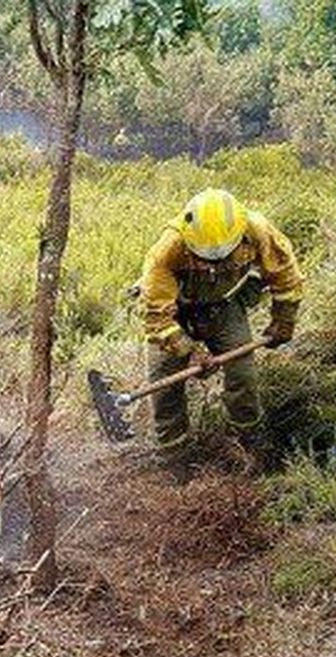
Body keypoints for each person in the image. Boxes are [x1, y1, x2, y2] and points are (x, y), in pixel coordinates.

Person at [131, 188, 302, 469]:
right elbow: (157, 319)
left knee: (243, 375)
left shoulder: (257, 230)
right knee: (165, 388)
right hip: (176, 314)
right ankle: (175, 458)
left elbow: (287, 279)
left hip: (223, 307)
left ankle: (248, 444)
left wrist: (283, 322)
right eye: (204, 256)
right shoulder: (167, 249)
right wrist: (191, 350)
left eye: (222, 255)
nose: (214, 261)